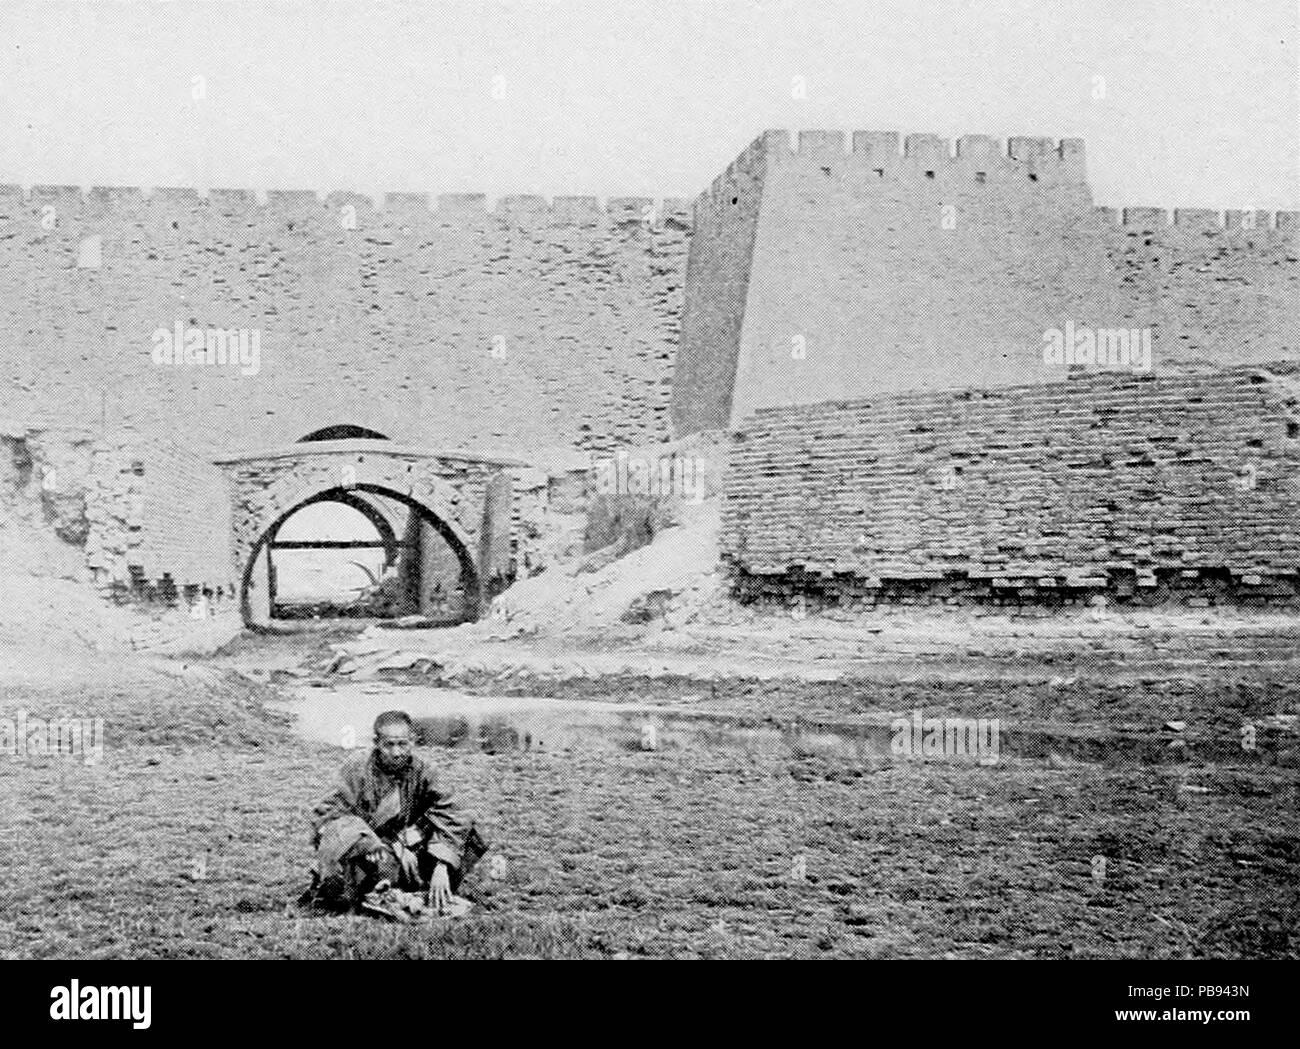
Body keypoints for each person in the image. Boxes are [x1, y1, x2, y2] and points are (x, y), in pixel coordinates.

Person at [305, 710, 485, 915]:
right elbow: (328, 814)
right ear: (376, 743)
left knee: (472, 835)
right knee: (356, 877)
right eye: (389, 745)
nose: (397, 752)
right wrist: (368, 842)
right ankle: (377, 889)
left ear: (413, 741)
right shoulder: (356, 769)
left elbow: (453, 813)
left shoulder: (425, 770)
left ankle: (429, 886)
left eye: (403, 744)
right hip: (373, 851)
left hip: (416, 847)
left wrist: (442, 864)